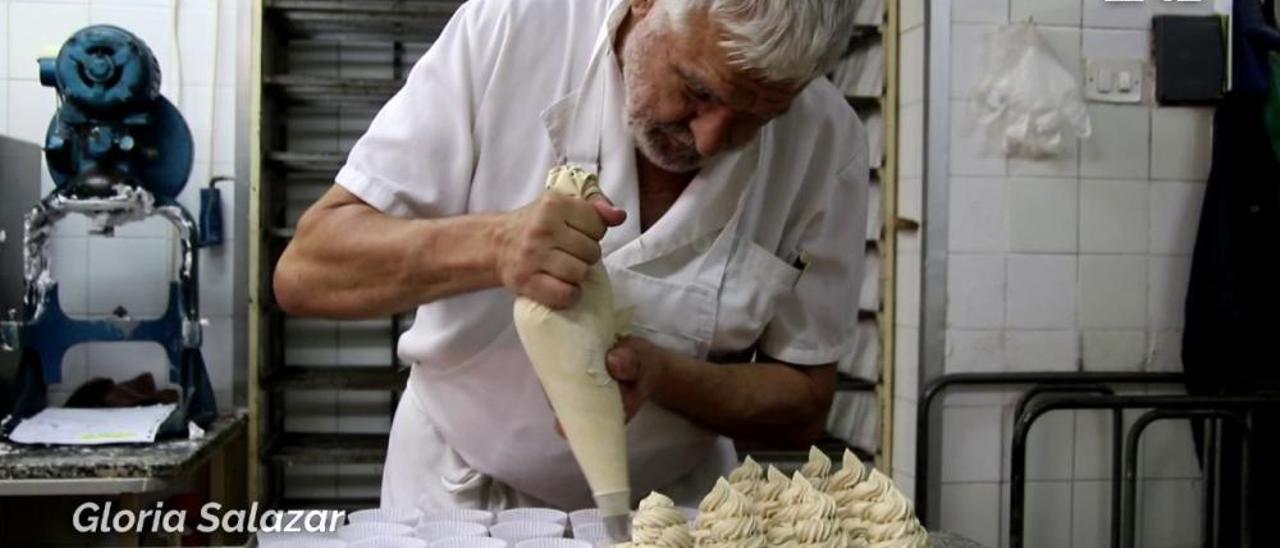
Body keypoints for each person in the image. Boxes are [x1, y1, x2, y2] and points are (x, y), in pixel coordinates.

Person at [274, 0, 869, 511]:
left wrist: (666, 377)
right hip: (456, 496)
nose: (711, 139)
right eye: (697, 90)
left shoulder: (826, 142)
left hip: (667, 512)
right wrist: (493, 245)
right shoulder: (512, 29)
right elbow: (307, 271)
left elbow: (803, 403)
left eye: (757, 118)